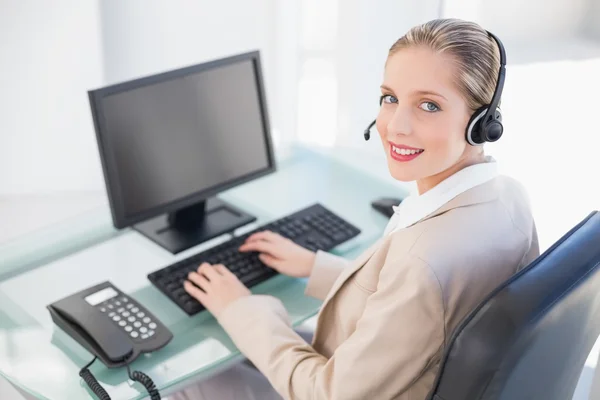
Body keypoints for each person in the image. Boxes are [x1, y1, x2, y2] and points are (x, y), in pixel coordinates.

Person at [168, 18, 539, 400]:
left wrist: (239, 307)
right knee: (247, 344)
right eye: (390, 98)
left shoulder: (423, 263)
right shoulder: (509, 198)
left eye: (429, 105)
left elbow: (329, 393)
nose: (396, 126)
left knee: (187, 378)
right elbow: (424, 311)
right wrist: (316, 268)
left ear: (481, 122)